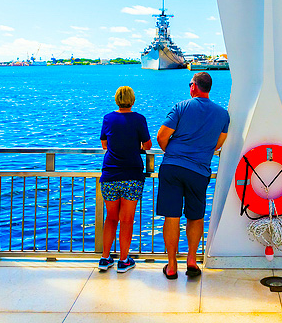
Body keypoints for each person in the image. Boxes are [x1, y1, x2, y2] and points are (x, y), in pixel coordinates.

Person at [156, 71, 229, 279]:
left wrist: (174, 153)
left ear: (194, 87)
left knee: (172, 216)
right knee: (195, 217)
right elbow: (217, 144)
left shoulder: (181, 107)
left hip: (173, 167)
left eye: (190, 84)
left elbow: (162, 137)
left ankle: (171, 266)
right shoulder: (223, 115)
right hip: (199, 170)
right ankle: (192, 261)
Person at [98, 86, 152, 273]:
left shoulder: (108, 118)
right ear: (133, 100)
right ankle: (123, 260)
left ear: (116, 99)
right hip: (132, 175)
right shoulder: (139, 119)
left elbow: (105, 143)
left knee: (111, 217)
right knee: (127, 219)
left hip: (110, 174)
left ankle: (105, 258)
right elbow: (147, 145)